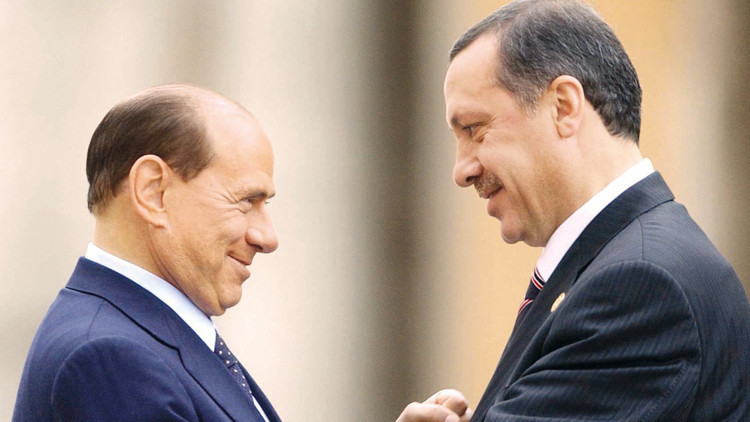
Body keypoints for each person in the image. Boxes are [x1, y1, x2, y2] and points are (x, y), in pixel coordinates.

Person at [397, 0, 750, 421]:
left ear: (563, 105)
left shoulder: (639, 287)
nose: (462, 171)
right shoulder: (625, 264)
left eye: (474, 129)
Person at [13, 84, 281, 421]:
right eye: (246, 201)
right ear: (153, 191)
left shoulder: (137, 339)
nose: (268, 237)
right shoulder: (113, 359)